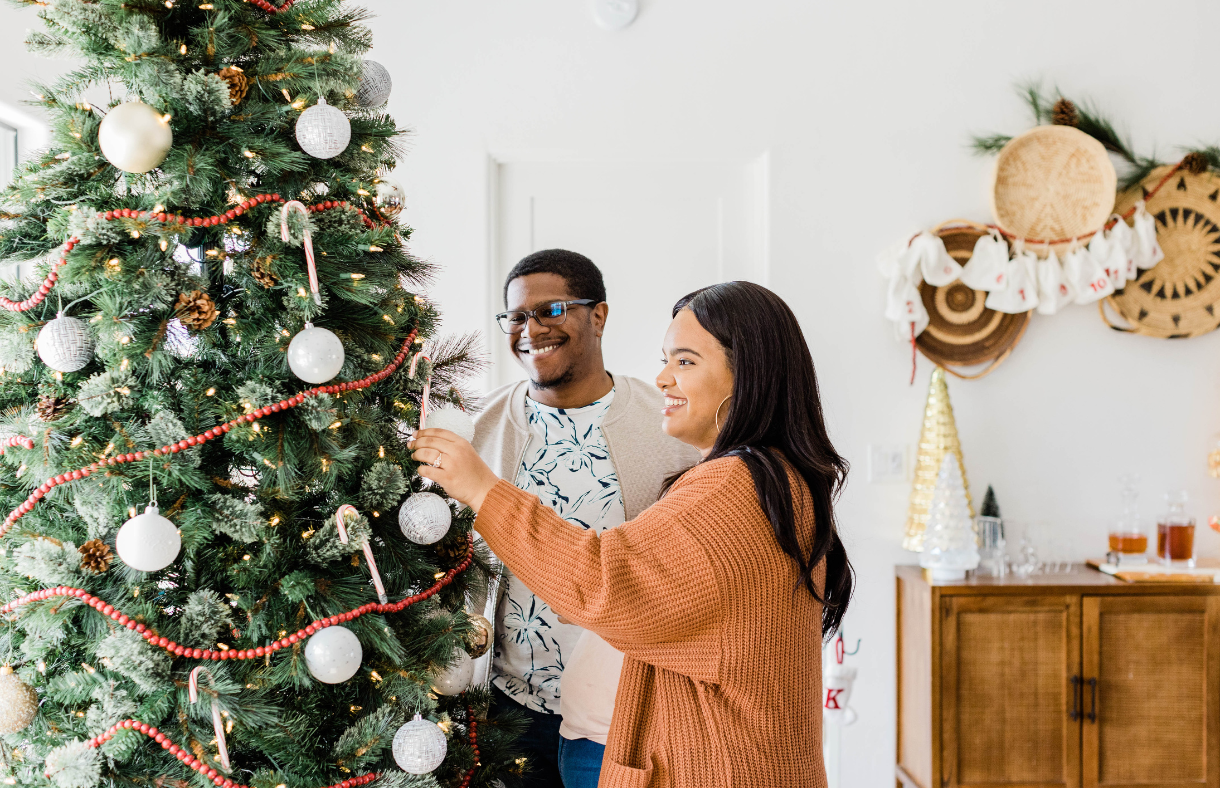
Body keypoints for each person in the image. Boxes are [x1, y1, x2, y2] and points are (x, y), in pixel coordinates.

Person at [414, 280, 854, 787]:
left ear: (748, 374)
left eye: (685, 362)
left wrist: (481, 489)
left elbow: (603, 579)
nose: (663, 378)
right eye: (666, 359)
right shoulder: (764, 476)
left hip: (714, 767)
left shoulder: (735, 486)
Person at [470, 249, 698, 787]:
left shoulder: (668, 432)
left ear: (598, 317)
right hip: (509, 709)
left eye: (551, 311)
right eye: (517, 316)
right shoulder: (479, 431)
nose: (530, 330)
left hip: (624, 716)